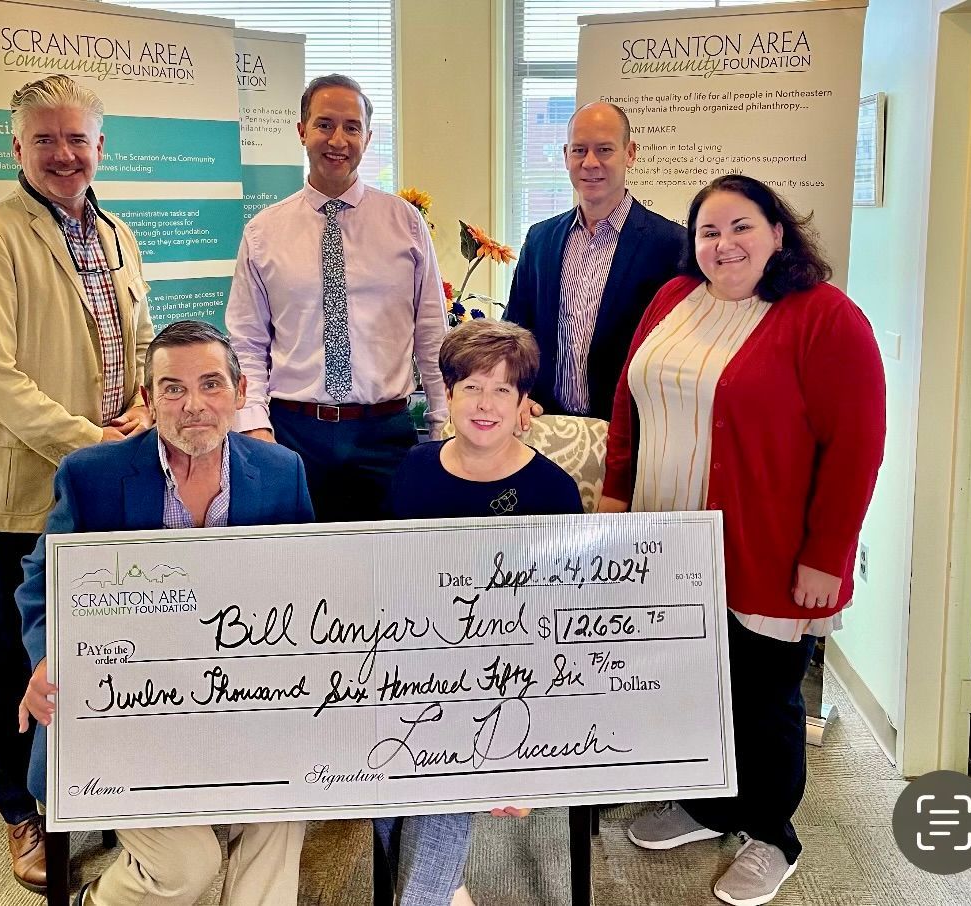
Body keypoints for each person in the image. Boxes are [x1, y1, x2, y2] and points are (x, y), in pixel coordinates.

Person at [600, 175, 886, 906]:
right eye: (707, 232)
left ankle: (772, 832)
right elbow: (629, 402)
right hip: (665, 535)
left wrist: (825, 557)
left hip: (766, 547)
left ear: (777, 233)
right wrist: (616, 490)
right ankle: (712, 805)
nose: (722, 245)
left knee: (763, 697)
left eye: (741, 227)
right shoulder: (673, 300)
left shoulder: (824, 318)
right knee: (692, 681)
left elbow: (856, 447)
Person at [0, 73, 154, 892]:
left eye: (78, 139)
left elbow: (137, 343)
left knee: (93, 649)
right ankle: (20, 813)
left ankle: (89, 786)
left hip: (94, 488)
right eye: (47, 139)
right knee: (10, 657)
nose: (65, 154)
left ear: (101, 146)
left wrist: (140, 408)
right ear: (16, 146)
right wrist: (94, 442)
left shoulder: (118, 233)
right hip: (12, 493)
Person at [16, 321, 313, 906]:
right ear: (148, 401)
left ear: (239, 389)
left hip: (244, 703)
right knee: (187, 865)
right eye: (172, 389)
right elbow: (41, 585)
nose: (193, 405)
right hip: (125, 713)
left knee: (284, 809)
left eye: (210, 384)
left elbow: (307, 586)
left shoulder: (282, 472)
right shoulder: (91, 475)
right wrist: (51, 656)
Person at [384, 319, 583, 905]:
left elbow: (569, 624)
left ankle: (424, 896)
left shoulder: (553, 492)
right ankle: (442, 887)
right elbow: (390, 586)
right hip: (419, 665)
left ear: (525, 405)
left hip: (518, 682)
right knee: (383, 761)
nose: (486, 403)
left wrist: (534, 750)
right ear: (448, 394)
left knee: (435, 758)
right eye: (472, 386)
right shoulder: (413, 472)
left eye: (503, 390)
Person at [227, 73, 448, 521]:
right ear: (302, 131)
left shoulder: (404, 223)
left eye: (351, 127)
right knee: (295, 572)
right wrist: (254, 425)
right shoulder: (263, 231)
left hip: (386, 433)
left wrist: (444, 424)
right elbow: (246, 343)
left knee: (392, 569)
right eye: (325, 124)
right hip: (293, 435)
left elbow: (431, 334)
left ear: (368, 137)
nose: (338, 139)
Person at [504, 101, 684, 421]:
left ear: (630, 153)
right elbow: (515, 331)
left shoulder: (671, 245)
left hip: (630, 432)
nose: (590, 163)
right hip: (547, 426)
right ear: (565, 155)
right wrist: (515, 395)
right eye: (579, 150)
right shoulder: (540, 240)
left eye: (604, 149)